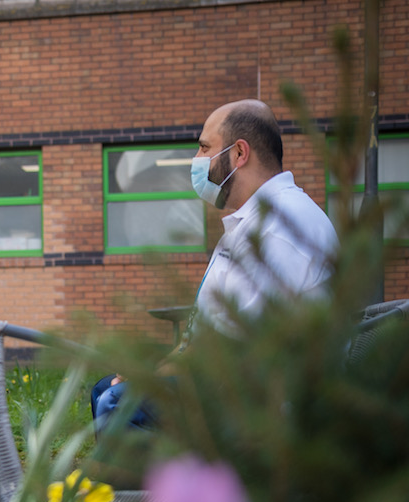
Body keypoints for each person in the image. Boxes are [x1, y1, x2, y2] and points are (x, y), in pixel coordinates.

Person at [91, 99, 339, 437]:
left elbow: (226, 350)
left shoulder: (279, 229)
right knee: (106, 389)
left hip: (262, 406)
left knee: (116, 403)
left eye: (205, 148)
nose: (197, 161)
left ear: (240, 154)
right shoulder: (251, 222)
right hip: (231, 383)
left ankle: (171, 490)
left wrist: (154, 376)